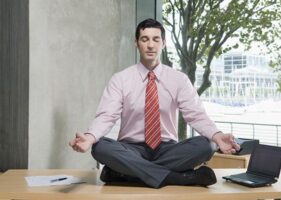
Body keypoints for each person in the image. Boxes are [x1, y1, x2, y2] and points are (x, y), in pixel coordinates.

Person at [69, 18, 240, 189]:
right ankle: (177, 178)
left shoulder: (179, 80)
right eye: (145, 39)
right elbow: (107, 115)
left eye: (156, 39)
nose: (150, 45)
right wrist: (90, 138)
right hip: (131, 149)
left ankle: (126, 174)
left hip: (168, 150)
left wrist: (217, 136)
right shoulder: (120, 79)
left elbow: (195, 115)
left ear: (163, 43)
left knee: (206, 145)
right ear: (136, 43)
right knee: (100, 147)